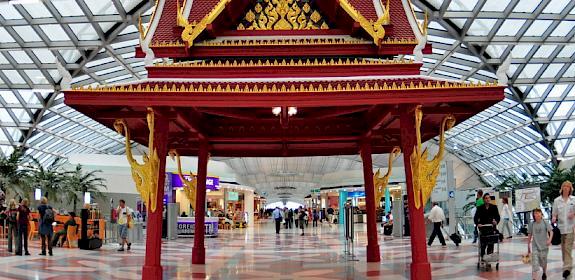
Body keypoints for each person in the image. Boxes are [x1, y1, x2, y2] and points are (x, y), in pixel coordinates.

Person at [552, 180, 575, 278]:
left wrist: (573, 214)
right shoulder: (557, 200)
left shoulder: (573, 199)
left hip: (570, 227)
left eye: (568, 187)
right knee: (563, 249)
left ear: (570, 189)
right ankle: (567, 265)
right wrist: (554, 217)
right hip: (561, 228)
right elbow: (554, 213)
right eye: (564, 186)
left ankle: (567, 268)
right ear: (562, 188)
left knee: (567, 248)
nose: (566, 188)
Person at [528, 208, 553, 280]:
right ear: (534, 215)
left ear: (541, 214)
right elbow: (529, 235)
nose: (537, 214)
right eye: (535, 213)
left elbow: (551, 232)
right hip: (535, 246)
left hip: (544, 246)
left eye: (539, 213)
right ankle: (534, 278)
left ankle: (544, 272)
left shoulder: (545, 222)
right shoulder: (532, 224)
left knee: (544, 262)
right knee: (535, 263)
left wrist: (549, 240)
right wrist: (528, 246)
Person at [474, 193, 500, 259]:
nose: (487, 199)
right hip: (483, 228)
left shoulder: (494, 207)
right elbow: (475, 218)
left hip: (491, 228)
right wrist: (478, 224)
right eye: (486, 198)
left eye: (488, 198)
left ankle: (489, 257)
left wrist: (496, 221)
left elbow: (498, 217)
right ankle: (483, 256)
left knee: (491, 244)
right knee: (483, 244)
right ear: (483, 200)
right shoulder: (480, 208)